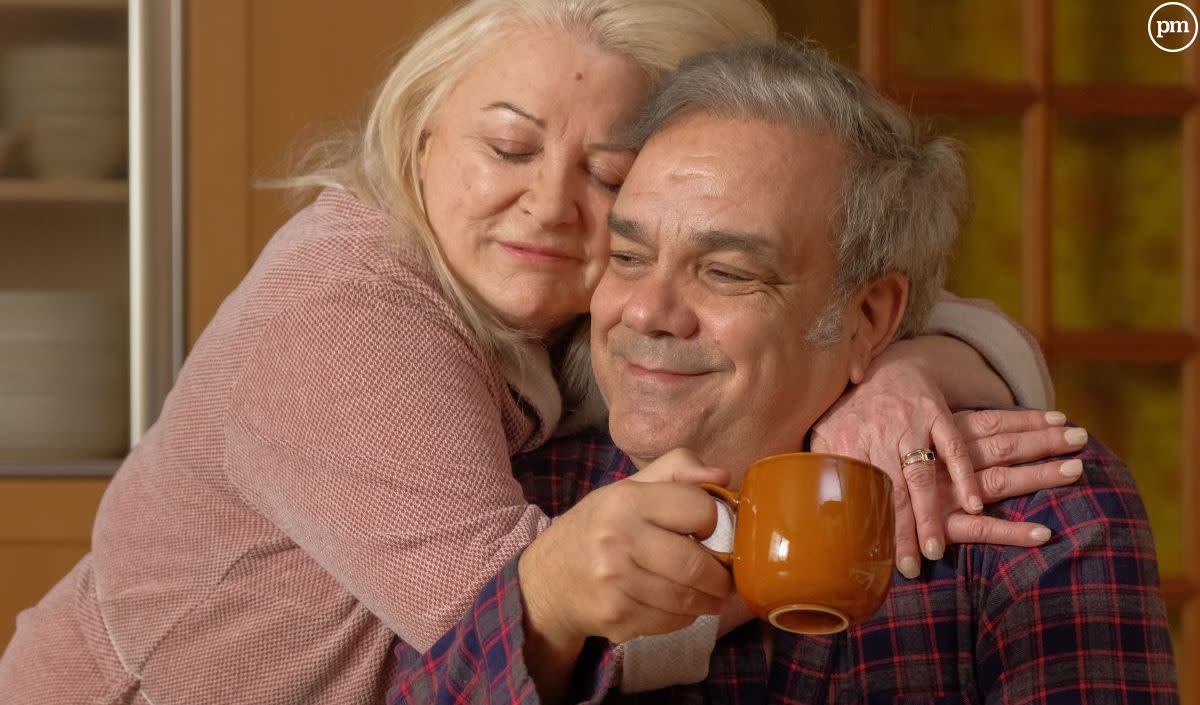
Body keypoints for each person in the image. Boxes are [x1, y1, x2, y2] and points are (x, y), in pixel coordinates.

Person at [0, 2, 1060, 703]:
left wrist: (916, 368)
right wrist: (843, 490)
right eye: (508, 147)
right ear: (420, 138)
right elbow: (526, 632)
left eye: (606, 174)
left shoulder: (553, 307)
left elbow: (853, 306)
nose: (548, 205)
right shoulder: (346, 309)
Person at [387, 40, 1180, 703]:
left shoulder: (1036, 511)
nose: (647, 311)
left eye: (727, 273)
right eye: (628, 256)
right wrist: (543, 616)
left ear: (870, 318)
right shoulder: (522, 498)